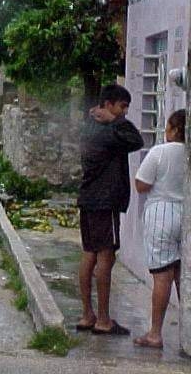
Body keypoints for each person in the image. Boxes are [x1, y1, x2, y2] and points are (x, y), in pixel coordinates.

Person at [76, 84, 144, 335]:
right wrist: (115, 121)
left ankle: (87, 315)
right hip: (105, 203)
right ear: (108, 105)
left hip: (88, 200)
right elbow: (137, 140)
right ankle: (104, 320)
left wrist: (107, 119)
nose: (125, 112)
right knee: (106, 256)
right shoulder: (111, 131)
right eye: (122, 106)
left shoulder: (90, 128)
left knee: (89, 254)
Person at [133, 109, 185, 349]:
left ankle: (155, 333)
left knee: (162, 277)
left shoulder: (160, 152)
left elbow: (141, 185)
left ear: (175, 130)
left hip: (162, 215)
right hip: (187, 215)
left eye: (167, 128)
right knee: (185, 278)